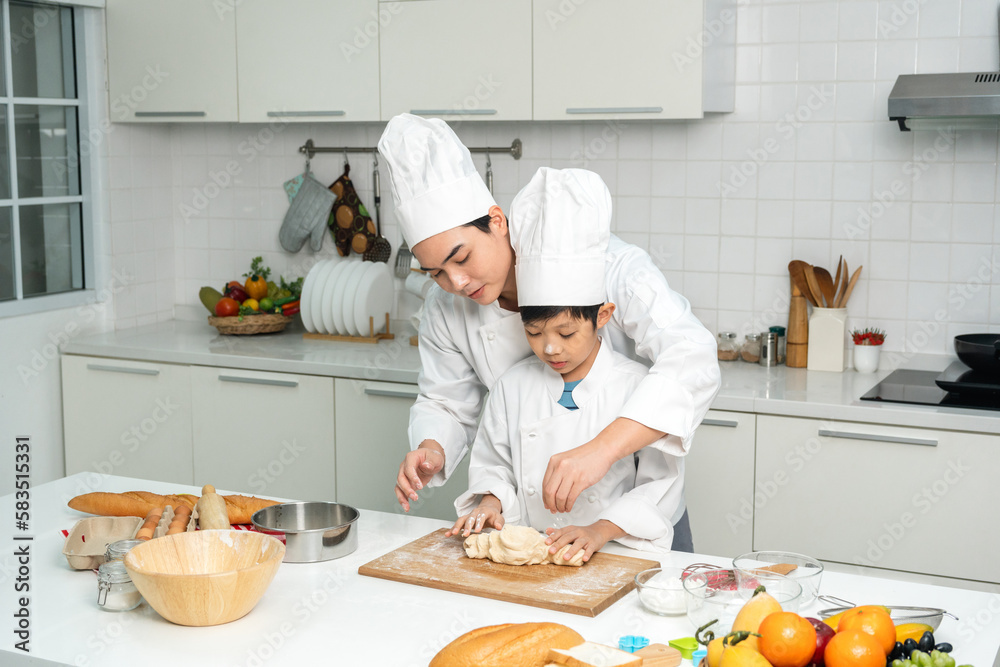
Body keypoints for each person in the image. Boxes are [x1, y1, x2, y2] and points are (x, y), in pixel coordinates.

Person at [378, 114, 719, 549]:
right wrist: (432, 448)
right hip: (535, 530)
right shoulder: (447, 308)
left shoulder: (604, 263)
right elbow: (446, 401)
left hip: (634, 521)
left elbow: (692, 356)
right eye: (436, 273)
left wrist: (602, 449)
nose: (457, 283)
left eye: (461, 258)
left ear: (496, 221)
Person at [445, 168, 684, 560]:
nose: (550, 349)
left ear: (603, 316)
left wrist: (599, 530)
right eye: (535, 334)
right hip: (533, 562)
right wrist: (490, 502)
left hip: (618, 554)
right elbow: (494, 465)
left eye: (567, 333)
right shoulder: (512, 387)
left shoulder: (637, 389)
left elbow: (660, 486)